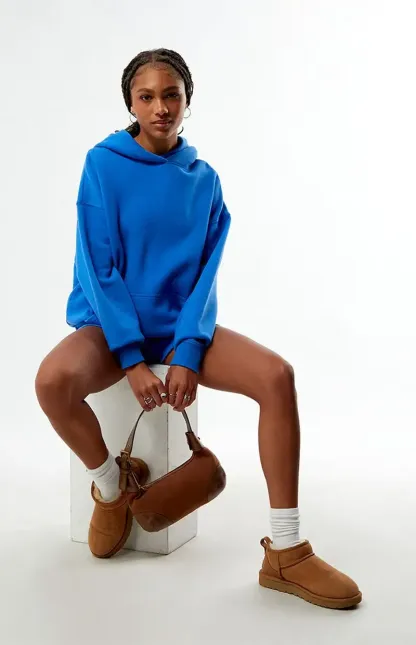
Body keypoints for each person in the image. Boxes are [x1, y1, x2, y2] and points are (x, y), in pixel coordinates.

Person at [35, 48, 362, 610]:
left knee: (277, 377)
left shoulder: (204, 180)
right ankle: (110, 487)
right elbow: (98, 267)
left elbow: (205, 278)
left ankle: (286, 551)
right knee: (50, 382)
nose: (160, 108)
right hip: (111, 327)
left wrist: (187, 351)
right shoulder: (103, 165)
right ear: (130, 104)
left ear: (188, 100)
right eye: (146, 97)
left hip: (177, 327)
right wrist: (131, 360)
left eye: (172, 95)